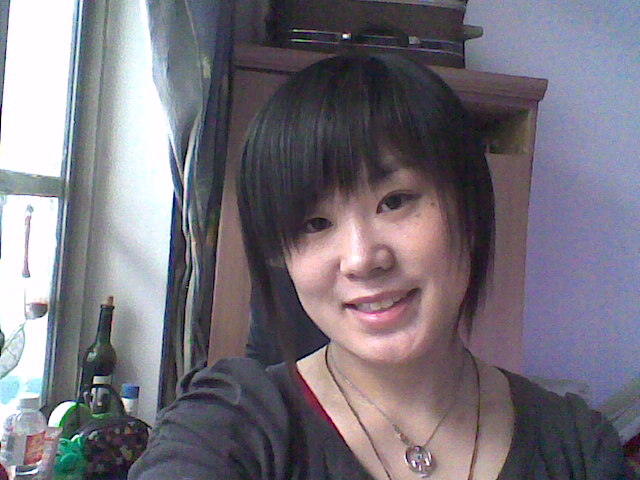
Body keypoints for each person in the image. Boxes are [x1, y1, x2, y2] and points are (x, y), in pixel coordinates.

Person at [129, 54, 630, 480]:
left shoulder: (577, 447)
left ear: (469, 206)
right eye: (315, 223)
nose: (362, 258)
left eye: (395, 201)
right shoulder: (230, 428)